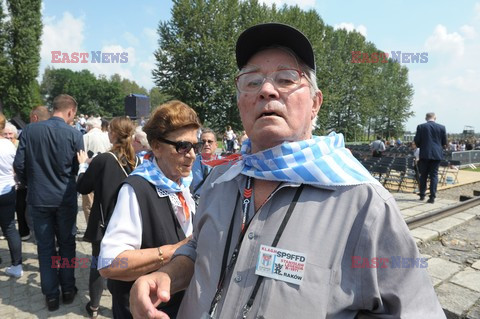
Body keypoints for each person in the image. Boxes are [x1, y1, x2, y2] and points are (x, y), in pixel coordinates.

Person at [129, 23, 445, 319]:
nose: (267, 90)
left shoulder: (363, 203)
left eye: (286, 79)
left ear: (315, 103)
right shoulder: (218, 182)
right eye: (252, 81)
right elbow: (198, 249)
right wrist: (167, 273)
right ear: (241, 104)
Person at [98, 100, 200, 318]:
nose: (191, 155)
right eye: (183, 146)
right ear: (156, 146)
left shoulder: (182, 184)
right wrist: (174, 250)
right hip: (144, 310)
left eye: (195, 146)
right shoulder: (136, 190)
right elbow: (109, 263)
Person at [13, 94, 84, 311]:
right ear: (70, 111)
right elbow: (74, 168)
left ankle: (52, 296)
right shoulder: (74, 133)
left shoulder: (30, 130)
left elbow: (19, 164)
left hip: (39, 198)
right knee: (67, 245)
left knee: (45, 248)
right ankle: (69, 289)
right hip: (65, 198)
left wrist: (31, 183)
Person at [77, 116, 140, 319]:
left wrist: (82, 166)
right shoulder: (137, 160)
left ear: (112, 134)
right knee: (124, 266)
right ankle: (123, 304)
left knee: (98, 265)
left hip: (105, 224)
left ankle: (94, 307)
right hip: (128, 223)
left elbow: (83, 186)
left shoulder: (103, 159)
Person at [0, 112, 23, 278]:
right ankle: (17, 265)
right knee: (9, 228)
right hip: (8, 189)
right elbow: (17, 167)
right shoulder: (9, 145)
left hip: (7, 188)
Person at [81, 116, 112, 223]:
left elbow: (83, 156)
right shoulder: (107, 136)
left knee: (88, 204)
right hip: (106, 172)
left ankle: (91, 227)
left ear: (89, 126)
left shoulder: (86, 137)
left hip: (90, 173)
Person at [414, 112, 447, 204]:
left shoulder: (421, 127)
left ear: (426, 118)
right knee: (434, 175)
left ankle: (422, 194)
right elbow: (444, 142)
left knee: (423, 175)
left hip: (425, 153)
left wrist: (423, 146)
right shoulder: (442, 127)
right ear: (435, 118)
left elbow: (417, 140)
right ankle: (432, 196)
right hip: (436, 154)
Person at [190, 128, 220, 200]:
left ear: (216, 145)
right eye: (203, 142)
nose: (206, 144)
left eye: (210, 141)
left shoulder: (225, 163)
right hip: (197, 202)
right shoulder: (191, 161)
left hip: (217, 202)